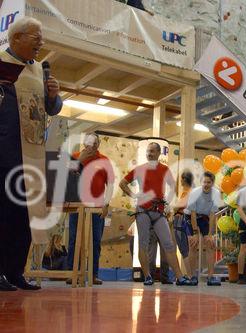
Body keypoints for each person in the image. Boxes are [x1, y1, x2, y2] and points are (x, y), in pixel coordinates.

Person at [0, 17, 62, 291]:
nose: (41, 43)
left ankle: (15, 272)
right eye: (35, 37)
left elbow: (52, 109)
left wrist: (53, 96)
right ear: (16, 38)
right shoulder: (1, 61)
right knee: (5, 211)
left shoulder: (39, 70)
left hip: (34, 152)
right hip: (7, 149)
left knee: (27, 213)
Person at [119, 142, 192, 286]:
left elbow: (172, 187)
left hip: (159, 212)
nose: (149, 154)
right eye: (148, 151)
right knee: (143, 245)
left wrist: (169, 205)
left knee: (169, 244)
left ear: (159, 153)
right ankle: (147, 276)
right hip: (143, 211)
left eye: (152, 151)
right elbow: (122, 183)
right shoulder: (140, 169)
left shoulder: (165, 170)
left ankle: (179, 277)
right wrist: (133, 195)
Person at [66, 133, 115, 286]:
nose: (90, 146)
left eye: (94, 143)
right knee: (74, 239)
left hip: (97, 206)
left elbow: (111, 184)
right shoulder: (74, 157)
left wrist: (106, 204)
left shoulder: (104, 160)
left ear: (97, 145)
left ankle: (93, 274)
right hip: (76, 204)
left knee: (95, 241)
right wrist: (80, 159)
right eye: (88, 142)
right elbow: (65, 177)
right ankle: (71, 273)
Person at [184, 172, 223, 286]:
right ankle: (192, 277)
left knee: (210, 245)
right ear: (201, 182)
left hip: (205, 218)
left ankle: (210, 277)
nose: (206, 184)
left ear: (212, 183)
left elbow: (212, 215)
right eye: (204, 182)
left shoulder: (216, 193)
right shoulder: (195, 193)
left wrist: (210, 235)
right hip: (191, 217)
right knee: (193, 245)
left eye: (209, 182)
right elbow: (192, 214)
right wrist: (195, 233)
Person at [171, 170, 194, 269]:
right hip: (185, 220)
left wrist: (173, 207)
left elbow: (178, 206)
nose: (180, 181)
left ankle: (189, 275)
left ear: (185, 180)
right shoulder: (190, 192)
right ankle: (190, 274)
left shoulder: (187, 193)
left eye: (181, 179)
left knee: (184, 250)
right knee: (187, 249)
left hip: (180, 220)